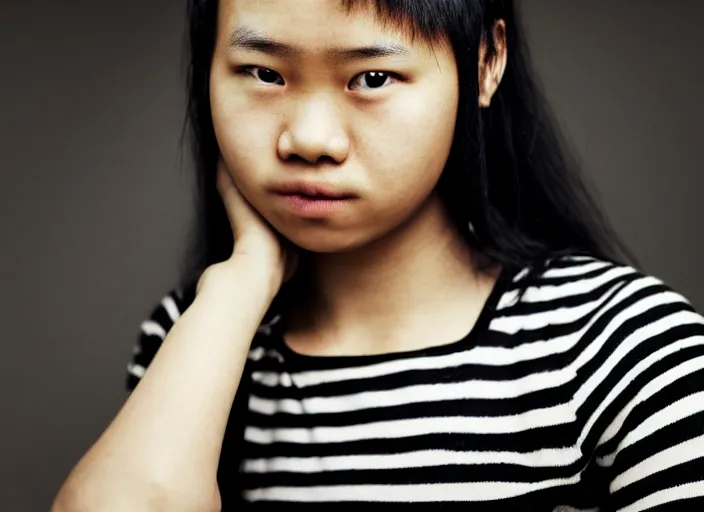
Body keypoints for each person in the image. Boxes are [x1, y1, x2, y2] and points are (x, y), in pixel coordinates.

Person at [52, 0, 704, 510]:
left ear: (486, 62)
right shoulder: (197, 338)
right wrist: (243, 280)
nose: (308, 138)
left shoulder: (623, 347)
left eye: (371, 77)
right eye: (264, 73)